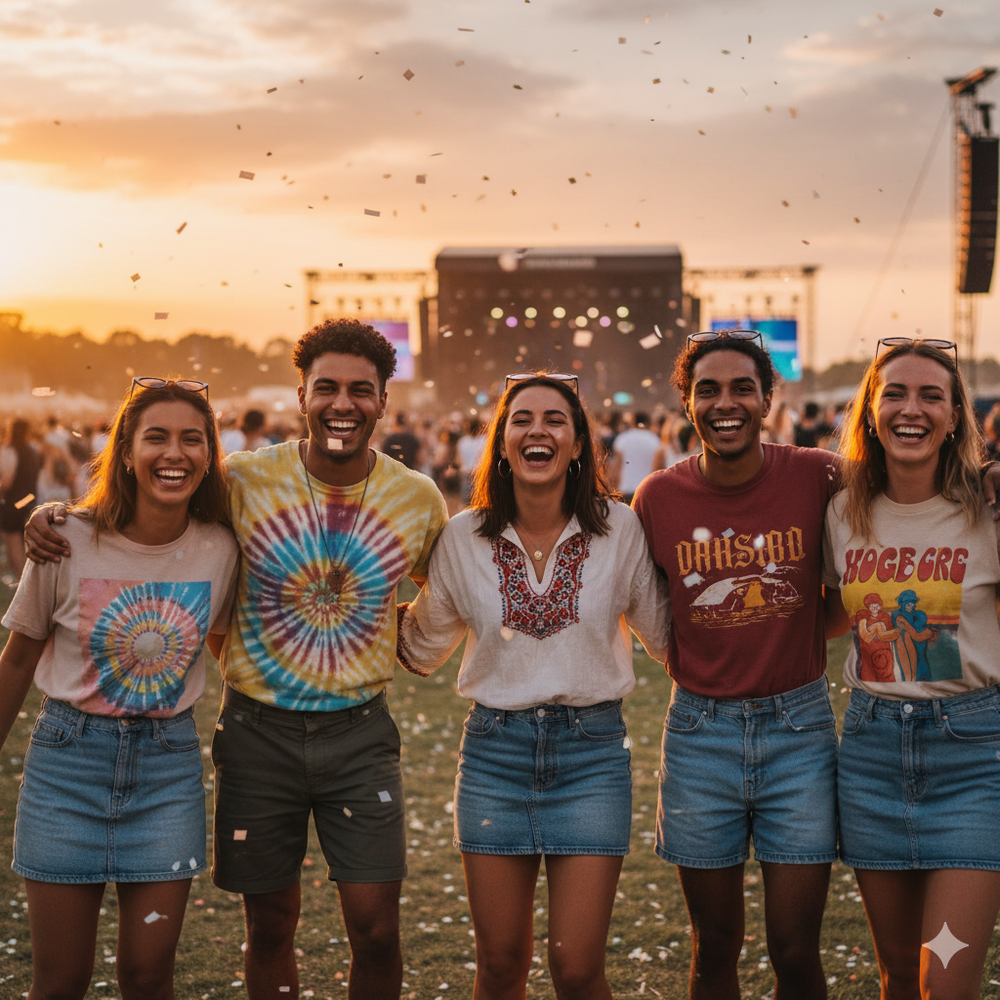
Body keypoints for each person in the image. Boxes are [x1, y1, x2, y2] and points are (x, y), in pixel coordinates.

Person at [25, 319, 448, 1000]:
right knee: (272, 924)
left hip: (363, 736)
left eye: (360, 391)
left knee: (375, 928)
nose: (344, 404)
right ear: (302, 395)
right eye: (327, 388)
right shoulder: (242, 482)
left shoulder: (418, 498)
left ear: (383, 403)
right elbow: (147, 516)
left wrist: (414, 639)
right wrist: (55, 517)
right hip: (257, 734)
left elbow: (450, 584)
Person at [396, 372, 670, 1000]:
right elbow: (421, 645)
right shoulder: (463, 536)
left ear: (578, 445)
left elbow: (667, 636)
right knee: (498, 968)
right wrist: (360, 579)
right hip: (495, 755)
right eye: (521, 419)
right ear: (501, 441)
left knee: (577, 970)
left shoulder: (620, 530)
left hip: (593, 757)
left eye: (555, 420)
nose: (537, 430)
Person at [0, 378, 238, 1000]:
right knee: (59, 982)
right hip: (65, 767)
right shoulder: (63, 539)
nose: (174, 453)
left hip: (167, 772)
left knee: (148, 976)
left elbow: (226, 641)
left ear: (210, 455)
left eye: (193, 439)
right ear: (125, 452)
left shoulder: (221, 548)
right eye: (155, 437)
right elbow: (19, 657)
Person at [632, 330, 845, 1000]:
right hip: (700, 735)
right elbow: (654, 611)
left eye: (741, 388)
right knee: (715, 944)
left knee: (794, 948)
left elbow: (848, 591)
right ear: (688, 403)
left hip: (800, 732)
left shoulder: (818, 474)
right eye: (708, 390)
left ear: (767, 399)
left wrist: (796, 637)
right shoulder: (658, 498)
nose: (726, 403)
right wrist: (705, 661)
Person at [822, 337, 1000, 1000]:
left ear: (956, 415)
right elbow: (823, 615)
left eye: (932, 395)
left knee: (947, 984)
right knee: (898, 978)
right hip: (871, 756)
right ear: (871, 409)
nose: (911, 408)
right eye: (894, 392)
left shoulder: (988, 513)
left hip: (973, 762)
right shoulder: (841, 514)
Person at [1, 418, 43, 575]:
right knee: (22, 539)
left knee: (12, 541)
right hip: (29, 499)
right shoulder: (33, 450)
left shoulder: (9, 450)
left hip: (13, 502)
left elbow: (7, 482)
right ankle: (26, 579)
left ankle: (20, 581)